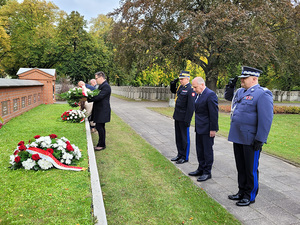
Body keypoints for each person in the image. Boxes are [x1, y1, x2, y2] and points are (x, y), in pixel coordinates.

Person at [225, 66, 273, 206]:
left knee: (250, 169)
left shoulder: (262, 94)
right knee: (241, 166)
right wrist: (230, 86)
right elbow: (229, 98)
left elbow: (266, 119)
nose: (242, 81)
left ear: (254, 79)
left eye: (245, 78)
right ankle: (241, 191)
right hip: (238, 136)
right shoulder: (240, 91)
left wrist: (260, 138)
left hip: (251, 139)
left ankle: (249, 195)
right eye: (241, 78)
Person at [189, 77, 218, 182]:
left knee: (207, 151)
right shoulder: (199, 94)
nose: (194, 89)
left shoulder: (210, 95)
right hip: (199, 127)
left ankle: (207, 172)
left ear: (202, 85)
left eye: (195, 87)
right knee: (199, 150)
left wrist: (213, 129)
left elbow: (214, 113)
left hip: (207, 129)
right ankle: (200, 168)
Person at [170, 71, 195, 164]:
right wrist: (172, 84)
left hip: (184, 117)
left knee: (185, 138)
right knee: (178, 137)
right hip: (177, 116)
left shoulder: (190, 89)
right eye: (180, 79)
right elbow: (173, 91)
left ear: (188, 79)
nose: (180, 81)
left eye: (182, 79)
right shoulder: (180, 88)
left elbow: (191, 107)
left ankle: (185, 156)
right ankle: (179, 154)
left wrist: (188, 120)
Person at [88, 71, 111, 151]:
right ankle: (100, 144)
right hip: (100, 110)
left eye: (96, 78)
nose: (96, 79)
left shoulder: (106, 86)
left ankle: (102, 145)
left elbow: (99, 97)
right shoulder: (102, 86)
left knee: (100, 127)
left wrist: (88, 99)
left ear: (101, 77)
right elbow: (97, 95)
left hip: (102, 111)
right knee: (99, 127)